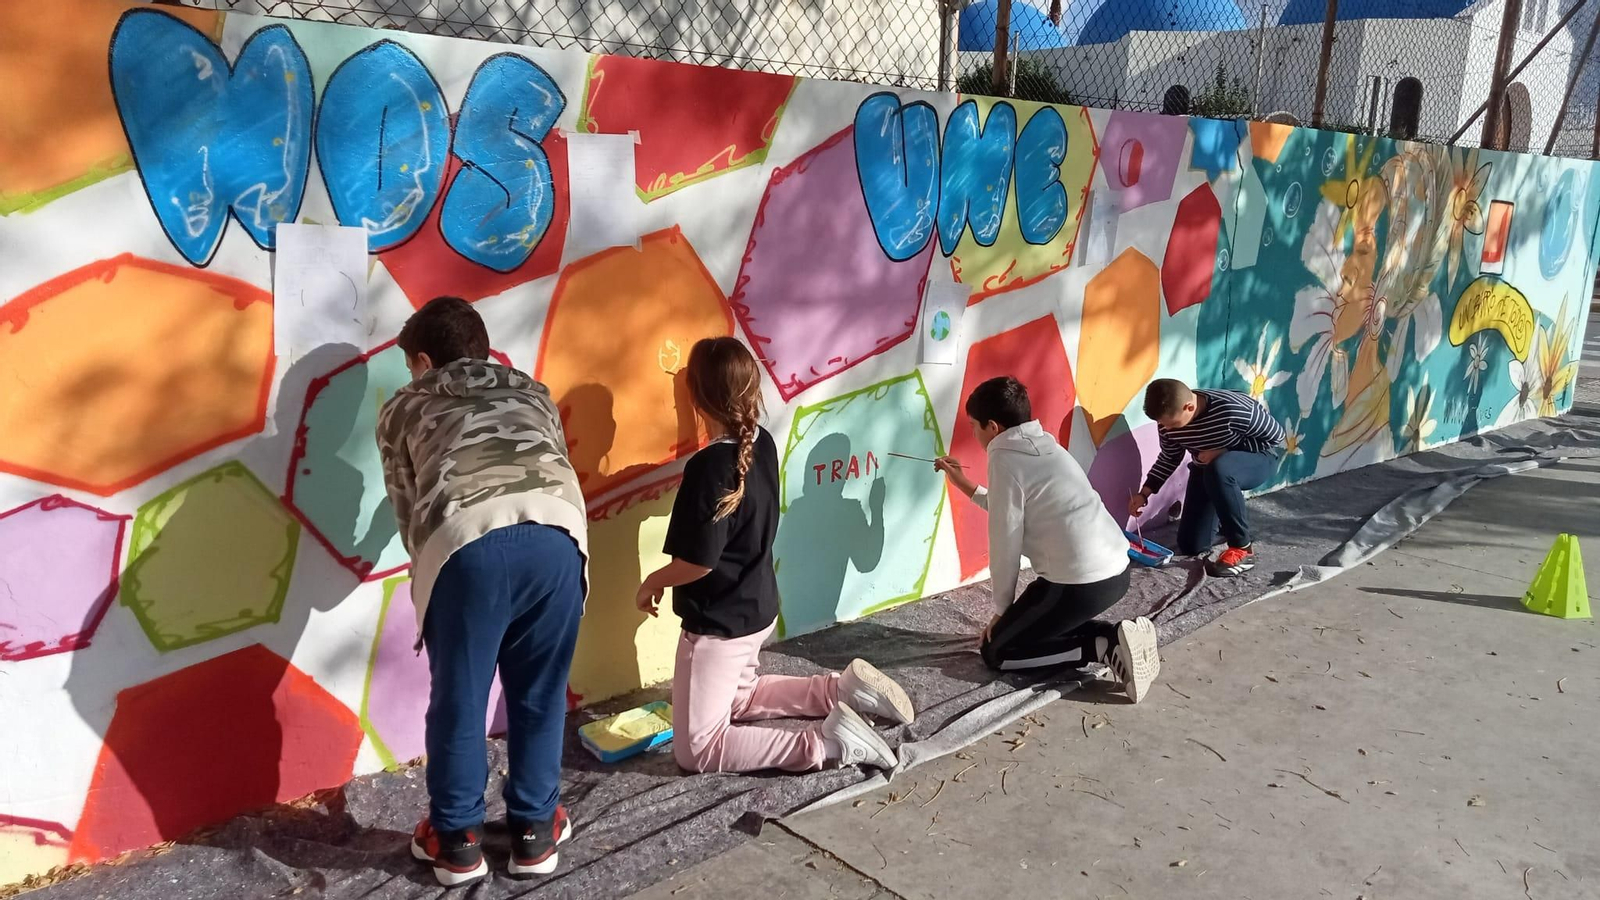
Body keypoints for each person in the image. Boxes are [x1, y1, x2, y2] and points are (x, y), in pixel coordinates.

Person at [376, 297, 589, 886]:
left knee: (461, 699)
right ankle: (534, 833)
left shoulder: (404, 406)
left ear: (423, 359)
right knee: (540, 693)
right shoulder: (531, 389)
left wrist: (437, 585)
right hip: (557, 537)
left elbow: (408, 505)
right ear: (483, 347)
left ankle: (458, 842)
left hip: (466, 545)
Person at [636, 337, 914, 775]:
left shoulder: (707, 469)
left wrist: (652, 580)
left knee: (697, 750)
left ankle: (826, 743)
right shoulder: (760, 442)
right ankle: (839, 691)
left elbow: (699, 562)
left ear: (695, 397)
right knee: (740, 696)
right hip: (757, 608)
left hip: (718, 629)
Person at [935, 376, 1162, 703]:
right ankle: (1117, 636)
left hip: (1079, 585)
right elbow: (1010, 507)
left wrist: (1001, 610)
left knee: (997, 652)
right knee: (1032, 622)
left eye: (974, 426)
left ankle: (1101, 645)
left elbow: (1005, 541)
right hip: (1115, 571)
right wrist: (965, 484)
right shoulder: (1044, 444)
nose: (973, 433)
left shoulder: (1004, 457)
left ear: (994, 427)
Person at [1128, 378, 1286, 576]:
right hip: (1210, 470)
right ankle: (1223, 513)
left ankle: (1242, 548)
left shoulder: (1233, 409)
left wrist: (1224, 451)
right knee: (1191, 545)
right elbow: (1169, 457)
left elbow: (1276, 438)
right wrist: (1144, 493)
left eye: (1173, 424)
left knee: (1220, 468)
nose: (1167, 430)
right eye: (1163, 425)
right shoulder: (1166, 422)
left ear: (1189, 406)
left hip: (1258, 460)